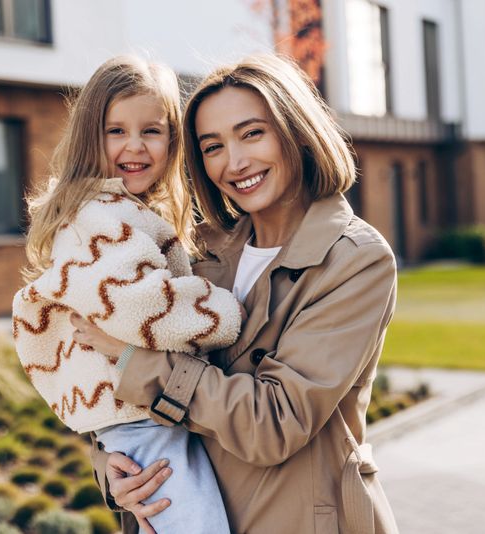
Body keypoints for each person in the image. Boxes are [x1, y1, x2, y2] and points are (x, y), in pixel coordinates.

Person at [72, 54, 400, 534]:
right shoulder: (194, 250)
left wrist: (133, 362)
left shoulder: (353, 260)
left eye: (252, 134)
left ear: (296, 130)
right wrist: (112, 469)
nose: (235, 162)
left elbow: (275, 422)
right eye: (212, 146)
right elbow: (118, 400)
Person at [11, 55, 240, 534]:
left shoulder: (125, 208)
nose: (134, 146)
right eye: (116, 131)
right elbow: (139, 307)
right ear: (90, 136)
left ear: (173, 141)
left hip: (147, 416)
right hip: (142, 423)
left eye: (151, 131)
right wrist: (224, 310)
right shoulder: (99, 216)